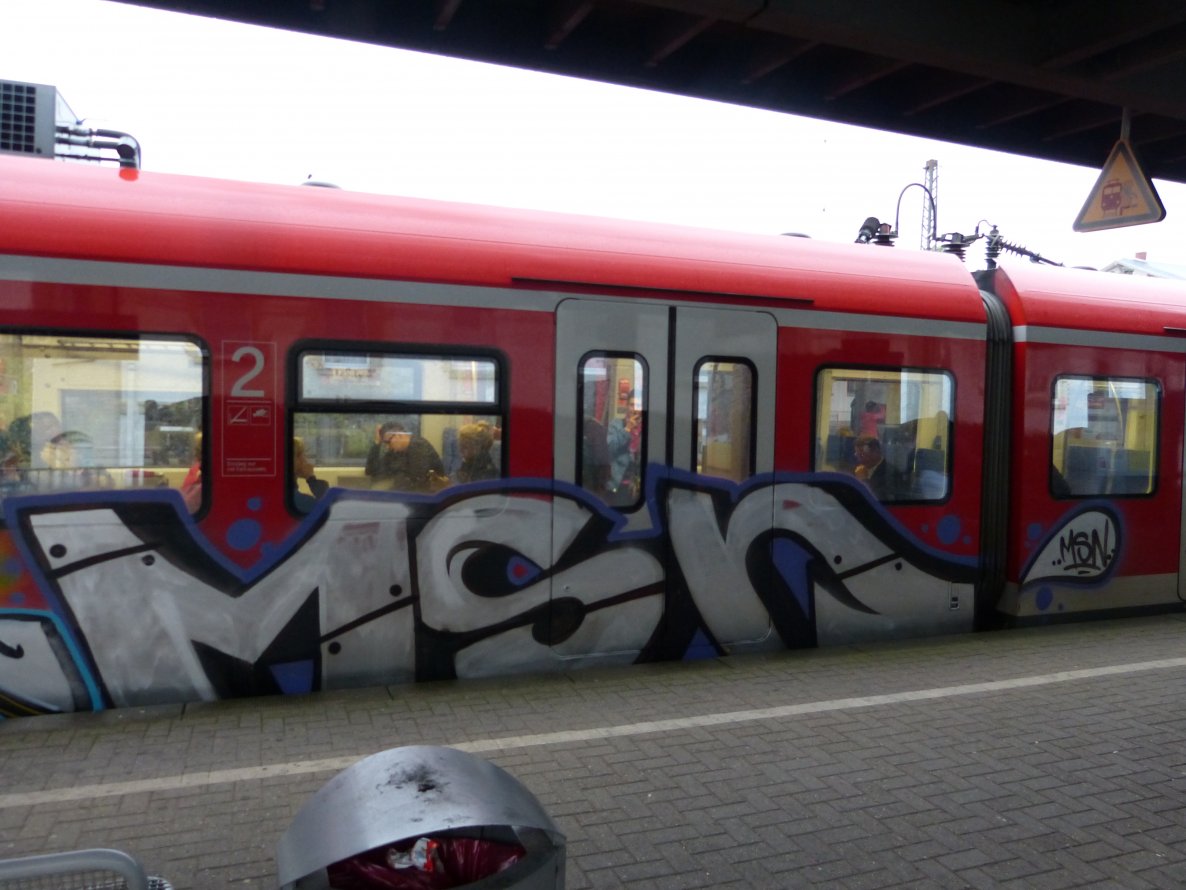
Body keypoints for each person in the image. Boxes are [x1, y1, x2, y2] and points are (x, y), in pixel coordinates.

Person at [366, 420, 447, 493]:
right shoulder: (396, 451)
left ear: (398, 436)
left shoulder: (419, 447)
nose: (387, 447)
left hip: (424, 495)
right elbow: (371, 471)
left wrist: (388, 494)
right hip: (405, 492)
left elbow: (415, 482)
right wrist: (377, 444)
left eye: (388, 442)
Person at [853, 434, 906, 501]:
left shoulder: (891, 473)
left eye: (862, 454)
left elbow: (881, 499)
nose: (859, 459)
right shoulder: (859, 469)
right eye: (857, 454)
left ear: (876, 451)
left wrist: (863, 480)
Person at [293, 436, 330, 512]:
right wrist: (311, 479)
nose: (304, 460)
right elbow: (327, 508)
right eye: (299, 455)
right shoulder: (303, 502)